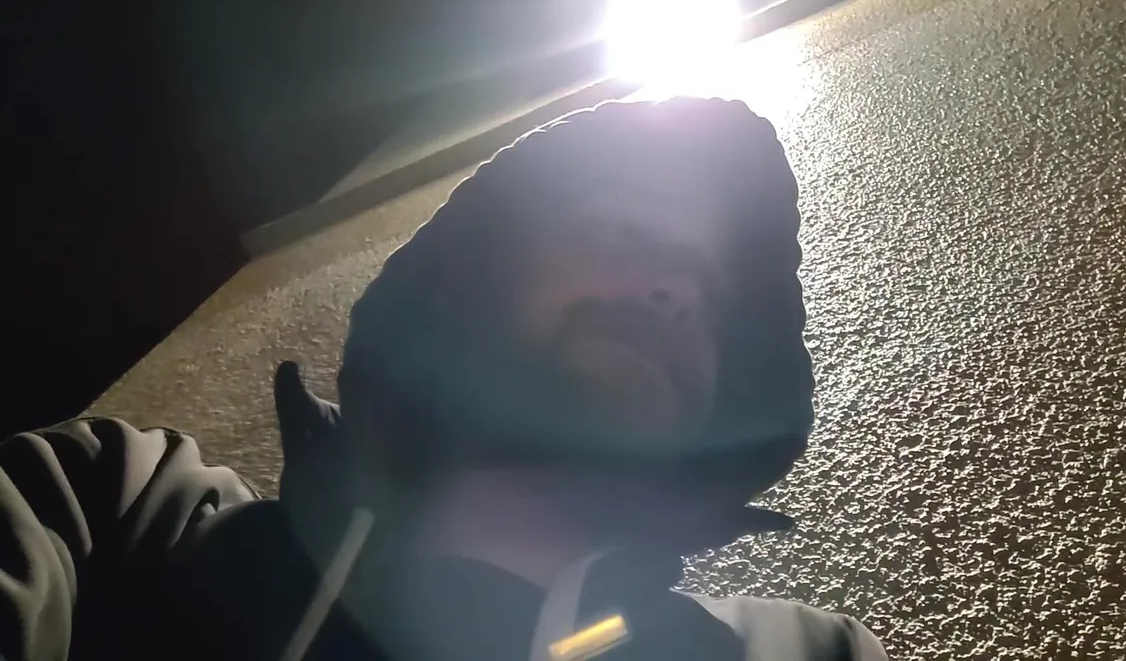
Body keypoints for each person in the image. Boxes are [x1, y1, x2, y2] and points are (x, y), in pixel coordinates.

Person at [0, 97, 888, 661]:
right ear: (474, 285)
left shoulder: (802, 652)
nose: (679, 290)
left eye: (715, 293)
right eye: (623, 233)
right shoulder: (123, 510)